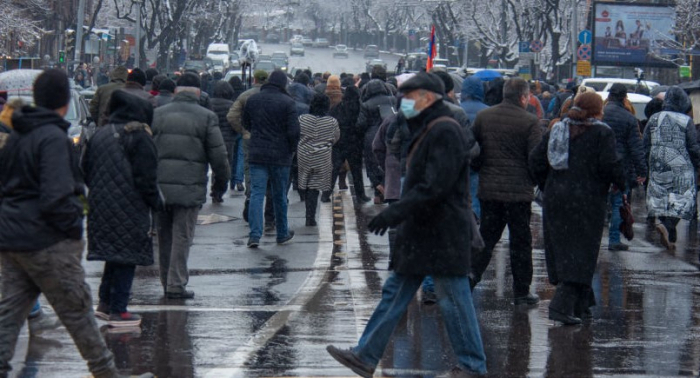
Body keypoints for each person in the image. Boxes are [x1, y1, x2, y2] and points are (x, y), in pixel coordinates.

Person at [326, 72, 487, 378]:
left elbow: (435, 186)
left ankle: (472, 365)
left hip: (441, 230)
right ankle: (365, 354)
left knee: (453, 299)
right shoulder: (428, 127)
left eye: (411, 96)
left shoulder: (445, 130)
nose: (405, 102)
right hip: (425, 229)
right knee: (397, 293)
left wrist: (396, 212)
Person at [0, 69, 153, 378]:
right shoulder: (53, 137)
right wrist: (72, 228)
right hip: (47, 241)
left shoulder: (19, 134)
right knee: (78, 312)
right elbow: (57, 194)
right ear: (64, 100)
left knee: (10, 312)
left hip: (12, 238)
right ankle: (106, 372)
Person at [529, 92, 625, 325]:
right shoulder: (602, 133)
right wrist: (621, 183)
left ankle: (582, 305)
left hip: (556, 199)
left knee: (563, 250)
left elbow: (536, 161)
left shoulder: (557, 129)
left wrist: (548, 184)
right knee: (582, 253)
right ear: (596, 110)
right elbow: (610, 165)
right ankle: (561, 306)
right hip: (587, 201)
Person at [83, 90, 158, 327]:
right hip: (130, 204)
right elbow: (147, 178)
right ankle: (119, 309)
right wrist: (157, 202)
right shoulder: (138, 136)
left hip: (100, 204)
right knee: (127, 255)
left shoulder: (100, 134)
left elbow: (84, 168)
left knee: (113, 254)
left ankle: (104, 303)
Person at [152, 72, 230, 299]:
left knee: (164, 236)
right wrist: (221, 183)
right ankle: (176, 283)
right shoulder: (205, 117)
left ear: (176, 90)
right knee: (182, 236)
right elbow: (218, 155)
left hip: (160, 187)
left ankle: (166, 281)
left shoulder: (157, 114)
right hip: (189, 186)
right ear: (198, 92)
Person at [470, 78, 543, 305]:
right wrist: (533, 180)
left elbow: (474, 149)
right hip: (518, 194)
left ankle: (469, 279)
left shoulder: (484, 117)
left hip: (489, 190)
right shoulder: (530, 122)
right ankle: (521, 291)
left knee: (486, 238)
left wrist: (481, 168)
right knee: (520, 242)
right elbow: (536, 159)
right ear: (523, 97)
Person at [243, 70, 299, 248]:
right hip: (280, 154)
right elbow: (294, 131)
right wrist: (291, 149)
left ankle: (254, 234)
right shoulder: (288, 103)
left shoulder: (253, 100)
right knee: (279, 194)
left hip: (257, 153)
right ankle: (282, 232)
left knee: (257, 193)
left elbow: (245, 123)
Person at [644, 87, 700, 250]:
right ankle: (670, 224)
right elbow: (692, 145)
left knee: (659, 194)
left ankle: (663, 221)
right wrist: (697, 162)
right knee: (682, 198)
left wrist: (648, 160)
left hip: (657, 163)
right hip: (681, 166)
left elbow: (646, 142)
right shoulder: (685, 120)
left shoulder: (654, 118)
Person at [602, 83, 647, 251]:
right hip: (621, 168)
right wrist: (642, 171)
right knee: (618, 204)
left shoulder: (600, 114)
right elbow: (636, 147)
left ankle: (591, 239)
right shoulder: (629, 119)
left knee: (599, 203)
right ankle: (613, 241)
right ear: (624, 97)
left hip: (600, 167)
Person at [227, 70, 268, 218]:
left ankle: (250, 195)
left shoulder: (246, 95)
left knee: (249, 167)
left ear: (254, 79)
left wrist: (243, 130)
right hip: (269, 138)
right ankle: (268, 202)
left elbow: (232, 116)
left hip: (249, 137)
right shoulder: (273, 96)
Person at [298, 93, 340, 226]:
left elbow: (296, 133)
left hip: (304, 154)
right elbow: (336, 137)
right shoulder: (332, 121)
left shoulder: (302, 119)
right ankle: (310, 217)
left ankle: (304, 198)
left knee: (304, 180)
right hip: (322, 156)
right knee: (315, 187)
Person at [357, 79, 396, 204]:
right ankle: (388, 188)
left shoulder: (366, 104)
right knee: (390, 162)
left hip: (372, 136)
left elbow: (361, 124)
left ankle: (378, 192)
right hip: (392, 133)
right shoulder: (393, 100)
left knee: (373, 164)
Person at [329, 82, 370, 202]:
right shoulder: (359, 107)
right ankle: (360, 195)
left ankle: (326, 193)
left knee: (334, 169)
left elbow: (331, 120)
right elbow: (363, 123)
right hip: (355, 143)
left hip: (339, 142)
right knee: (356, 171)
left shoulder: (338, 107)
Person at [460, 76, 489, 219]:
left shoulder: (456, 109)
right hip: (480, 160)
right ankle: (475, 217)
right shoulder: (488, 111)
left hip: (458, 159)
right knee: (476, 191)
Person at [209, 81, 238, 203]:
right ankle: (219, 191)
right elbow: (234, 122)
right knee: (225, 167)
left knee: (211, 166)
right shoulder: (231, 105)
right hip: (227, 140)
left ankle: (213, 186)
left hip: (210, 138)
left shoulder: (209, 103)